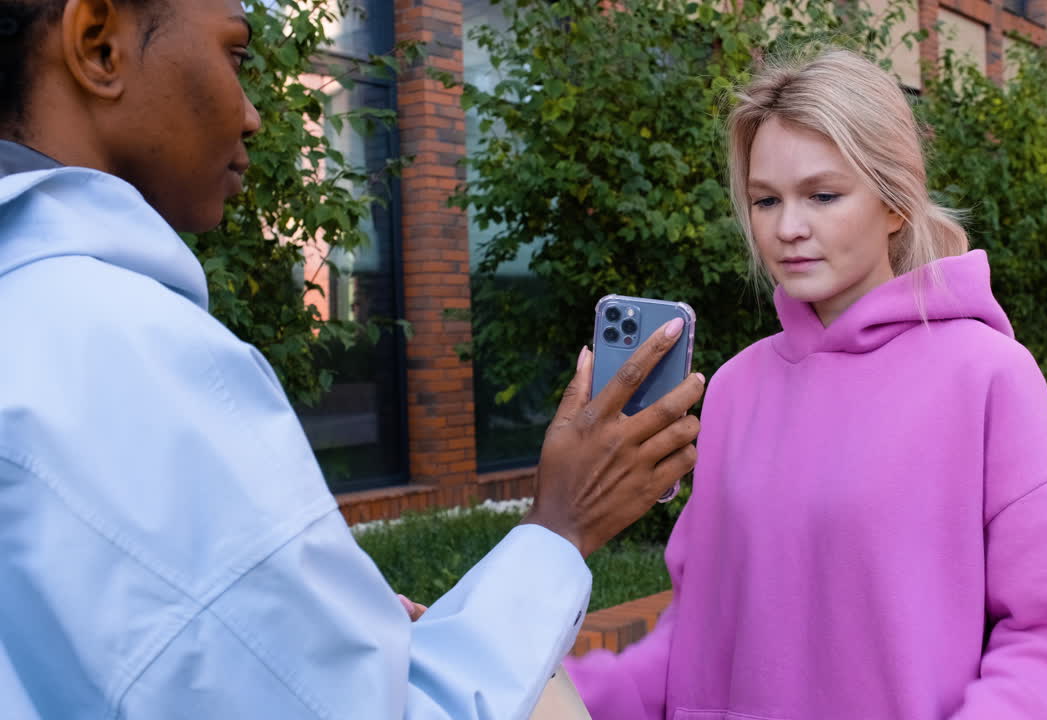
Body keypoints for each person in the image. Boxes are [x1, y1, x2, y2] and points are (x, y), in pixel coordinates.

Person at [0, 0, 705, 717]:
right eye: (235, 56)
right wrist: (562, 525)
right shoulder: (125, 355)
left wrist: (341, 636)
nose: (251, 114)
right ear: (98, 44)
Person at [565, 47, 1047, 719]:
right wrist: (536, 688)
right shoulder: (739, 387)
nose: (787, 228)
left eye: (823, 195)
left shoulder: (987, 376)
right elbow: (701, 638)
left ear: (895, 203)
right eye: (765, 200)